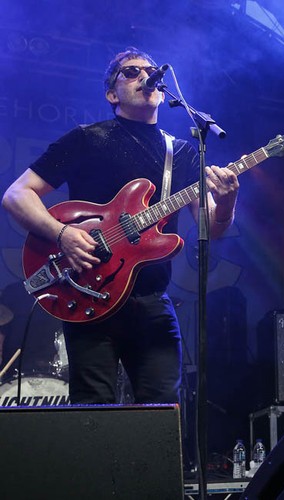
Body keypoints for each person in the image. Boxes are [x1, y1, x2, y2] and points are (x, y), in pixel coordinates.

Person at [1, 47, 239, 405]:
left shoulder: (184, 153)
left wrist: (228, 200)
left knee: (161, 414)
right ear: (112, 93)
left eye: (151, 70)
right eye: (131, 72)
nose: (146, 75)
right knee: (93, 413)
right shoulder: (87, 139)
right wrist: (62, 234)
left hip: (151, 301)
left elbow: (212, 229)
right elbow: (17, 195)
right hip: (88, 293)